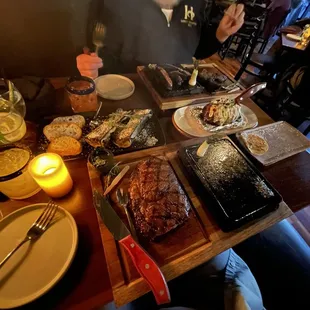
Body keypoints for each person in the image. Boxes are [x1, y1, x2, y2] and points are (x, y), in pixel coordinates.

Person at [76, 0, 245, 78]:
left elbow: (196, 50)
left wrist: (221, 33)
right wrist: (92, 67)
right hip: (130, 94)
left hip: (178, 98)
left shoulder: (196, 2)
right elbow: (101, 54)